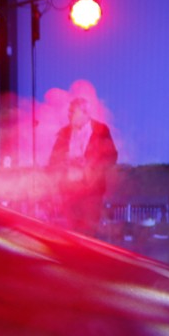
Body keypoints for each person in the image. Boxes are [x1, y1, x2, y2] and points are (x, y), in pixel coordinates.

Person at [48, 97, 118, 235]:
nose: (69, 115)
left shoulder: (101, 130)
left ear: (86, 113)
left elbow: (112, 157)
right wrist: (63, 161)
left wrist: (90, 164)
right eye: (69, 112)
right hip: (69, 193)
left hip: (91, 193)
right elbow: (52, 161)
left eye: (72, 112)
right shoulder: (64, 133)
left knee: (89, 233)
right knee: (72, 234)